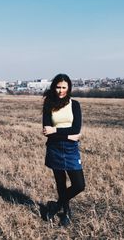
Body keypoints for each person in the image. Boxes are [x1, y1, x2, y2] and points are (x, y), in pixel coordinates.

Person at [42, 73, 85, 226]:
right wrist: (69, 135)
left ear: (69, 88)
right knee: (60, 183)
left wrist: (57, 131)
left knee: (79, 185)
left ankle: (57, 205)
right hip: (54, 148)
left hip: (71, 149)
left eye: (63, 87)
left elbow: (76, 128)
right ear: (54, 87)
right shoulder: (49, 103)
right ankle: (66, 212)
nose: (60, 90)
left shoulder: (75, 105)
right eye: (58, 87)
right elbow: (47, 130)